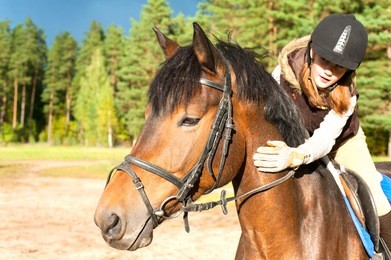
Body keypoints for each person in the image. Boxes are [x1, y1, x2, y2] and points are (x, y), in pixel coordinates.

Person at [252, 13, 391, 250]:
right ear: (312, 52)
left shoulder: (348, 95)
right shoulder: (281, 75)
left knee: (378, 201)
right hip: (296, 139)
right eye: (325, 60)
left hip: (342, 142)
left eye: (339, 68)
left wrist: (298, 156)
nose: (329, 71)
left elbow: (325, 140)